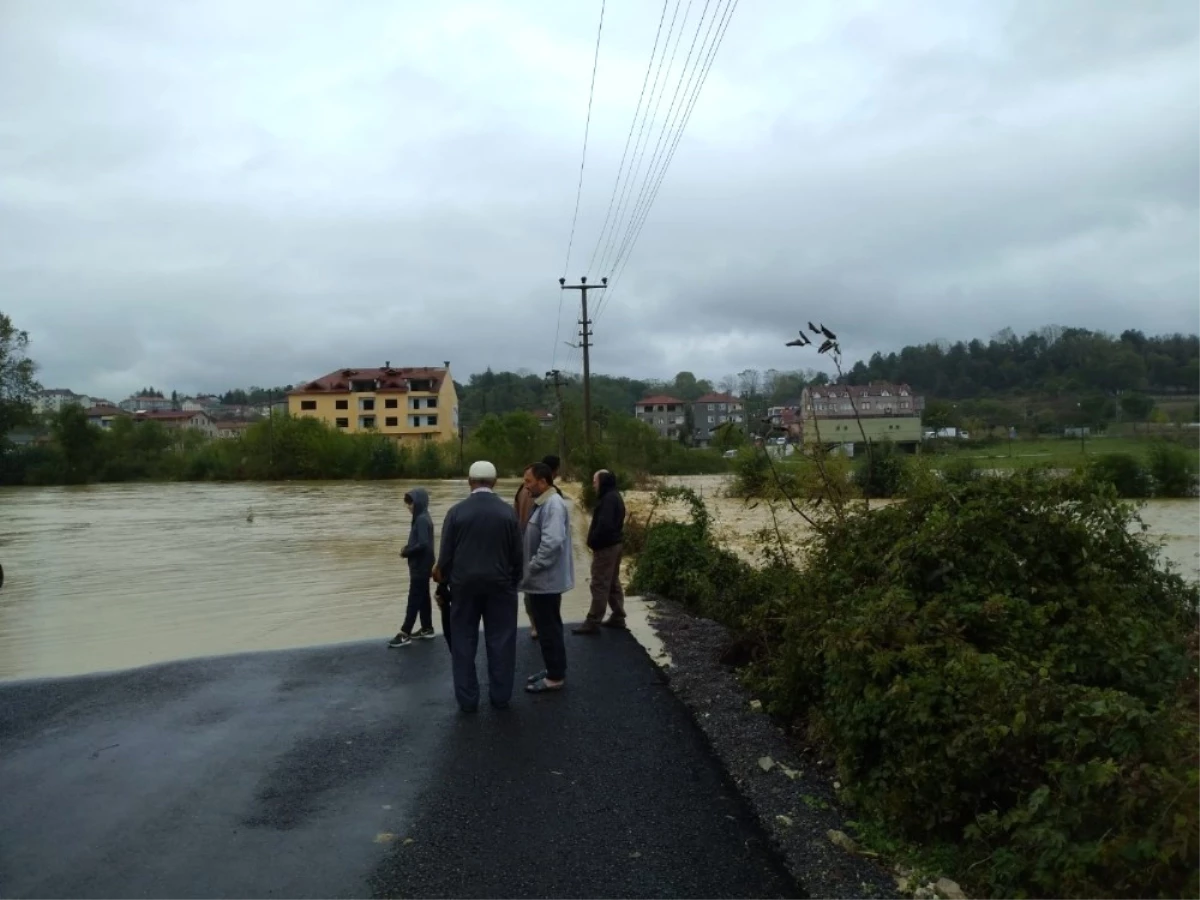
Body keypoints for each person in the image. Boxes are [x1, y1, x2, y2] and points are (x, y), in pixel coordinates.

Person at [435, 460, 524, 712]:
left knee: (463, 641)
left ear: (469, 482)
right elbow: (518, 556)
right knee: (502, 641)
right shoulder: (508, 513)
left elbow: (445, 557)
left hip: (463, 587)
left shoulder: (456, 512)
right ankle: (500, 696)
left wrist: (444, 584)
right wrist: (512, 581)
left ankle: (467, 700)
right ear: (494, 482)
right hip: (500, 587)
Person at [520, 461, 575, 694]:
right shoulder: (543, 503)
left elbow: (552, 543)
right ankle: (553, 668)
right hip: (541, 582)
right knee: (547, 627)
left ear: (543, 482)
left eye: (529, 482)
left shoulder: (552, 504)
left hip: (546, 582)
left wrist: (531, 568)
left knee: (549, 628)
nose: (526, 487)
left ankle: (555, 677)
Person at [514, 454, 562, 640]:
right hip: (539, 561)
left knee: (532, 596)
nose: (526, 485)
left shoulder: (548, 500)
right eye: (526, 481)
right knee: (548, 607)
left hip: (530, 553)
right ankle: (543, 628)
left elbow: (515, 519)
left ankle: (535, 626)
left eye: (528, 481)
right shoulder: (554, 496)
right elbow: (555, 540)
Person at [574, 469, 627, 635]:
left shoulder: (608, 500)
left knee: (599, 583)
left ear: (602, 481)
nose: (593, 485)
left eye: (595, 481)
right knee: (612, 582)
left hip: (606, 547)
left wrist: (594, 542)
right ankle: (618, 616)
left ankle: (593, 620)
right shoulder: (614, 496)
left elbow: (604, 526)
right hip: (615, 545)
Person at [389, 487, 436, 647]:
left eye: (411, 503)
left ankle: (405, 633)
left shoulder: (422, 519)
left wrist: (406, 551)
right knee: (423, 597)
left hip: (420, 566)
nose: (408, 506)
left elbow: (423, 544)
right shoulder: (423, 517)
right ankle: (427, 628)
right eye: (407, 503)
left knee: (414, 598)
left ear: (419, 503)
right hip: (423, 564)